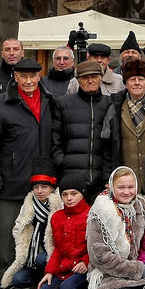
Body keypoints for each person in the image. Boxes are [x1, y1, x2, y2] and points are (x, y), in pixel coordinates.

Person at [0, 57, 54, 275]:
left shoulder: (51, 100)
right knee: (9, 228)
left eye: (33, 76)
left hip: (43, 178)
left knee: (42, 227)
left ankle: (37, 269)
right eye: (23, 76)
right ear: (15, 77)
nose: (29, 81)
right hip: (11, 177)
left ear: (39, 76)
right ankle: (10, 269)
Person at [85, 166, 145, 289]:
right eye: (121, 187)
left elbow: (144, 244)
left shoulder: (139, 209)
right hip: (107, 273)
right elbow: (100, 256)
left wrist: (144, 263)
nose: (126, 192)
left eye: (131, 187)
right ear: (111, 187)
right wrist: (135, 269)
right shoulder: (101, 212)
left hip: (133, 269)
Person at [33, 172, 90, 289]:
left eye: (73, 193)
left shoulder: (91, 215)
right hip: (63, 268)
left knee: (68, 288)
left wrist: (86, 262)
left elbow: (97, 247)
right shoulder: (57, 217)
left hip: (82, 270)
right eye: (64, 194)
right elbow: (58, 248)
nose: (69, 198)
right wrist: (49, 271)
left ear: (82, 193)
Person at [0, 158, 63, 289]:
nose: (39, 191)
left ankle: (52, 279)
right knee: (18, 280)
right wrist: (24, 246)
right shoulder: (29, 204)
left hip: (53, 255)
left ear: (52, 187)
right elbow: (18, 227)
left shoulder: (59, 205)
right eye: (36, 187)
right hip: (32, 256)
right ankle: (40, 279)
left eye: (44, 187)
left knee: (41, 259)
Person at [102, 59, 145, 196]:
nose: (136, 83)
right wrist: (108, 177)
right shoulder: (114, 108)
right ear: (126, 84)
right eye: (132, 79)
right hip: (124, 184)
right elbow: (107, 147)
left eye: (141, 79)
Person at [53, 60, 112, 191]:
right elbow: (55, 137)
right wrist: (62, 162)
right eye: (85, 77)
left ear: (101, 78)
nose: (90, 81)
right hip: (71, 177)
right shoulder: (63, 104)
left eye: (94, 77)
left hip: (101, 178)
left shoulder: (110, 103)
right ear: (78, 80)